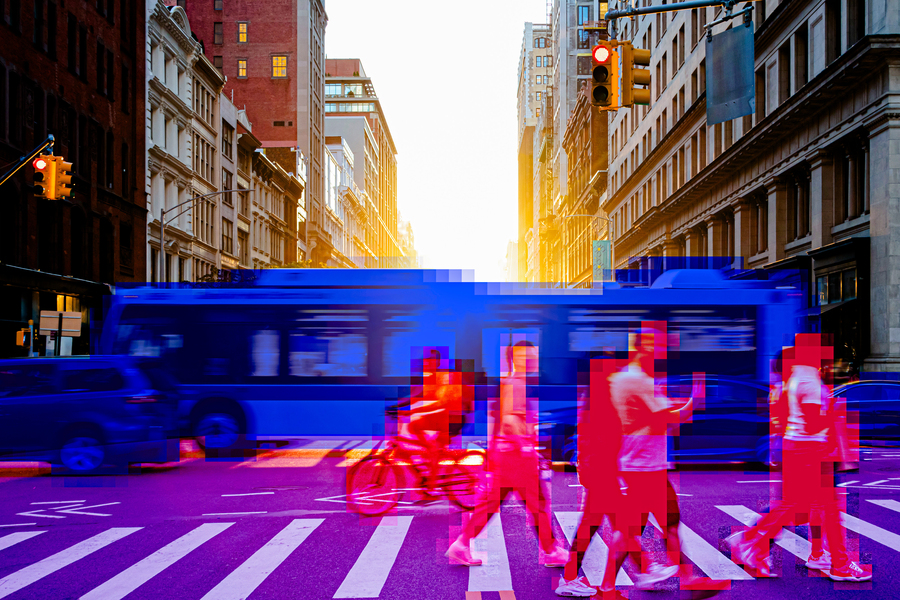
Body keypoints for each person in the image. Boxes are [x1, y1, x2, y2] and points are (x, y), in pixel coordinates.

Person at [727, 334, 871, 582]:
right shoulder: (810, 380)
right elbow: (814, 422)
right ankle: (837, 563)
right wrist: (832, 421)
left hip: (797, 447)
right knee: (818, 505)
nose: (828, 357)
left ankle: (753, 542)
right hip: (811, 449)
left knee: (801, 504)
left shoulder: (799, 375)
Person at [608, 323, 727, 597]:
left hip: (643, 463)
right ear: (641, 347)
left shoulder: (633, 378)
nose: (661, 350)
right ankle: (687, 582)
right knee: (648, 527)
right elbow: (670, 418)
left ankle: (688, 581)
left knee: (656, 525)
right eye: (655, 345)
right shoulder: (638, 379)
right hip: (645, 466)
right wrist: (694, 401)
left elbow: (660, 418)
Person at [446, 340, 568, 567]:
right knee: (537, 504)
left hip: (505, 456)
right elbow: (511, 421)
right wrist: (526, 448)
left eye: (533, 355)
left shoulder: (508, 382)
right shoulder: (517, 384)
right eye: (525, 356)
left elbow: (498, 420)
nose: (531, 360)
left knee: (492, 504)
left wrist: (493, 454)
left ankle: (460, 545)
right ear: (515, 359)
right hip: (517, 458)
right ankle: (551, 551)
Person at [555, 354, 628, 598]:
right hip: (601, 472)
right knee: (622, 527)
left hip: (597, 471)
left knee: (593, 524)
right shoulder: (600, 399)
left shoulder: (593, 396)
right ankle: (635, 577)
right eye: (613, 369)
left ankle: (570, 576)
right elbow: (605, 439)